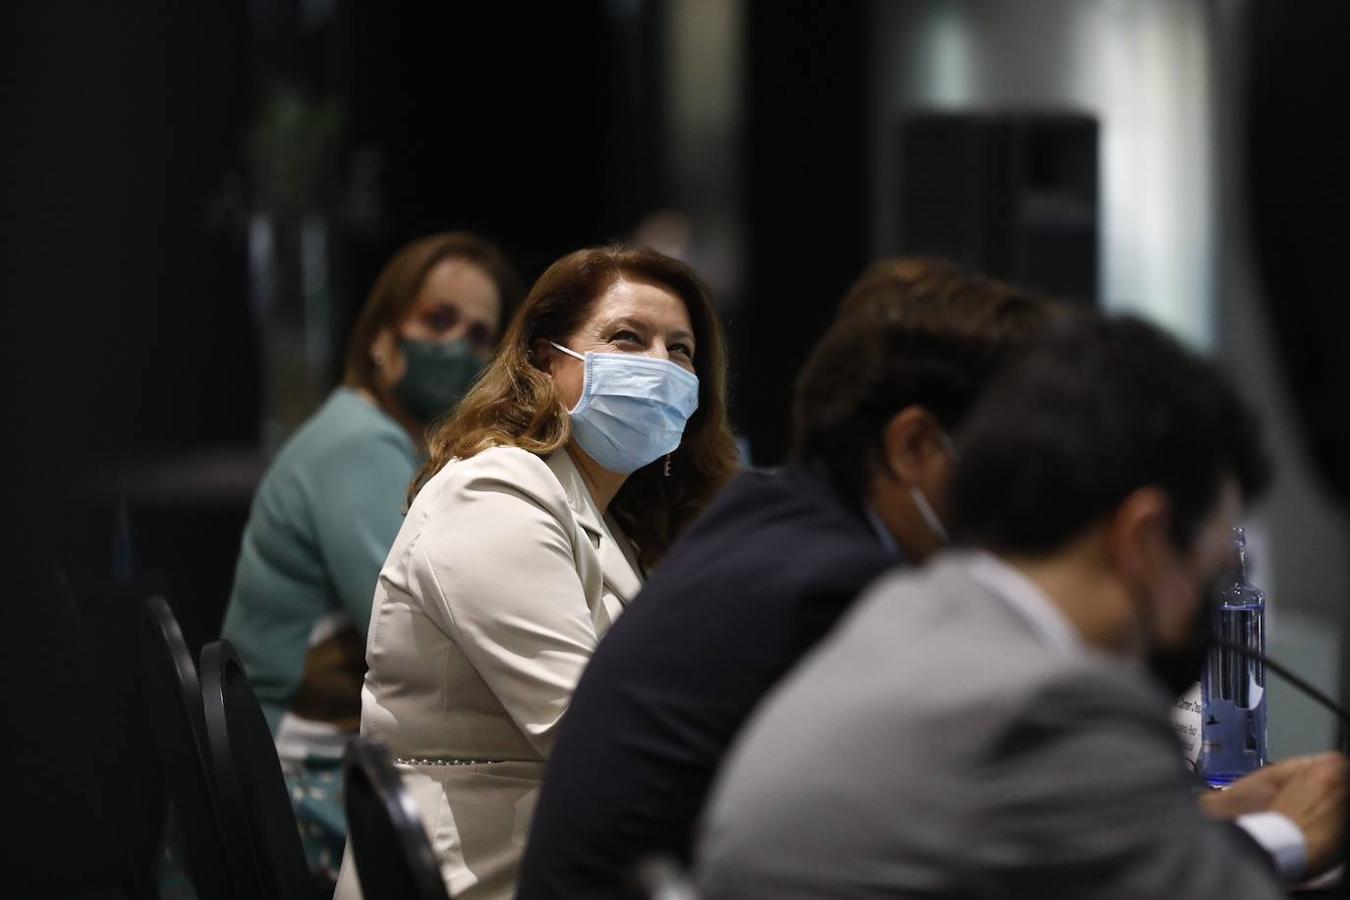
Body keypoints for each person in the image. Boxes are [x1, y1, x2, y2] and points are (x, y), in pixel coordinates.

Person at [696, 315, 1347, 900]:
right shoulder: (1051, 703)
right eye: (1210, 573)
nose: (1199, 611)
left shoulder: (907, 613)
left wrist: (1210, 817)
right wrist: (1293, 833)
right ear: (1144, 538)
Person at [516, 259, 1058, 898]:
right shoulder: (839, 587)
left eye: (681, 350)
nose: (1033, 490)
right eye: (1014, 453)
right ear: (913, 447)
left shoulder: (764, 520)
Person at [331, 245, 739, 900]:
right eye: (628, 338)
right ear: (547, 359)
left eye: (682, 350)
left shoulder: (608, 516)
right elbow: (597, 741)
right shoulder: (496, 489)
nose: (660, 366)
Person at [218, 232, 521, 885]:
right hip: (290, 784)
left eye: (477, 337)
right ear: (383, 335)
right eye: (437, 320)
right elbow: (421, 632)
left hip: (306, 767)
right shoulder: (361, 444)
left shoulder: (395, 444)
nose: (455, 347)